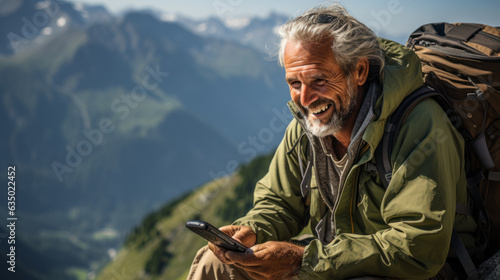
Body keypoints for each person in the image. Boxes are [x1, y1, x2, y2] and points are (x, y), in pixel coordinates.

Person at [188, 4, 478, 280]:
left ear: (360, 71)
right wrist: (251, 231)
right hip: (339, 257)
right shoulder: (306, 128)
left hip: (420, 270)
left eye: (319, 80)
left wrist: (303, 260)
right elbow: (279, 202)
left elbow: (418, 247)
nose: (305, 99)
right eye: (294, 83)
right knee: (214, 263)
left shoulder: (418, 124)